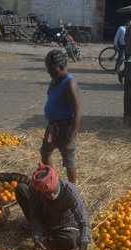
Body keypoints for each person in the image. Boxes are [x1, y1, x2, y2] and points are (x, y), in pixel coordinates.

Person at [16, 162, 90, 250]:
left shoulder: (70, 191)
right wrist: (37, 237)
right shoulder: (35, 189)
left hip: (65, 224)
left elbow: (83, 220)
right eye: (46, 193)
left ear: (57, 182)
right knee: (21, 189)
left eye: (53, 190)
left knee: (68, 245)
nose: (51, 195)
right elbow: (35, 214)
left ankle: (49, 235)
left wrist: (82, 249)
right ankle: (44, 231)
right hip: (45, 216)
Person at [42, 50, 82, 184]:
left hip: (65, 128)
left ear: (61, 67)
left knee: (68, 161)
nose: (49, 72)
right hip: (52, 127)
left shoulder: (69, 84)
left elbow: (77, 114)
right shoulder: (54, 79)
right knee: (45, 152)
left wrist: (70, 140)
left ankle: (72, 189)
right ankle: (52, 182)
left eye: (51, 69)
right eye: (47, 68)